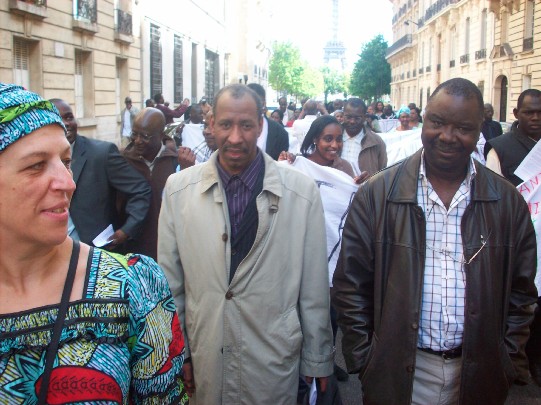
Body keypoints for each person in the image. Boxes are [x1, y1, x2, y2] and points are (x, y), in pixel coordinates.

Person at [332, 78, 538, 405]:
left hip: (479, 374)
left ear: (480, 131)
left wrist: (506, 359)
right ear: (424, 120)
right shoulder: (376, 195)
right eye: (438, 122)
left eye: (463, 127)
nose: (447, 136)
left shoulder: (508, 202)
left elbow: (522, 291)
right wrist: (365, 357)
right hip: (397, 372)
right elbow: (350, 283)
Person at [0, 83, 188, 404]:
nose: (68, 183)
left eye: (65, 160)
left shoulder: (131, 288)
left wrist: (126, 232)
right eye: (36, 165)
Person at [158, 84, 334, 404]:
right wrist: (178, 354)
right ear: (211, 126)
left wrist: (318, 356)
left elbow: (313, 287)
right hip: (205, 358)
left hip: (271, 362)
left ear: (260, 126)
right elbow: (171, 286)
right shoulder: (178, 190)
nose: (235, 137)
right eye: (226, 124)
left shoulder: (301, 192)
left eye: (246, 125)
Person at [485, 89, 541, 386]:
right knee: (515, 296)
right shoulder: (500, 147)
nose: (535, 117)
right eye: (529, 112)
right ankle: (513, 357)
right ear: (516, 114)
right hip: (514, 236)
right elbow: (495, 189)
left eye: (540, 112)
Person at [50, 98, 151, 249]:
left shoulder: (101, 153)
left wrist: (127, 230)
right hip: (52, 253)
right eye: (58, 119)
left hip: (97, 254)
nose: (66, 123)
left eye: (69, 117)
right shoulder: (37, 162)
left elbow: (140, 189)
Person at [121, 107, 177, 260]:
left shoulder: (175, 161)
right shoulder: (122, 162)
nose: (137, 140)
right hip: (133, 250)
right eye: (134, 134)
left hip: (169, 251)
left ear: (160, 135)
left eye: (144, 136)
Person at [341, 97, 387, 182]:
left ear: (365, 117)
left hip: (363, 193)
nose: (352, 121)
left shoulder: (377, 142)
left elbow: (382, 174)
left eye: (357, 118)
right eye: (348, 117)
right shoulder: (333, 138)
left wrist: (370, 179)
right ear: (343, 115)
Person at [246, 82, 289, 160]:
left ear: (264, 104)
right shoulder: (230, 130)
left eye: (256, 103)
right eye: (247, 103)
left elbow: (282, 165)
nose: (251, 107)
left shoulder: (280, 133)